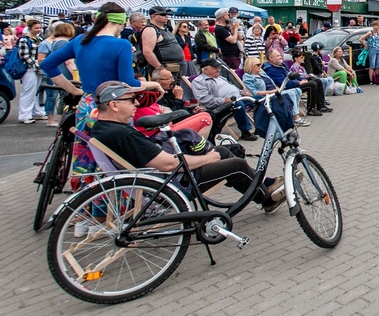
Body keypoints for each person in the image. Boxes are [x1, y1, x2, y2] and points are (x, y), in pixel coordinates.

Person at [90, 81, 285, 215]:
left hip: (159, 179)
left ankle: (265, 185)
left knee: (224, 152)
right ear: (114, 105)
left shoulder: (104, 128)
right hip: (172, 184)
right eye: (132, 100)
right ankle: (267, 199)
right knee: (236, 164)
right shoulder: (123, 134)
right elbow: (166, 164)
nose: (137, 103)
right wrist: (207, 159)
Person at [41, 2, 164, 186]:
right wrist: (154, 84)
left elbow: (47, 64)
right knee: (115, 159)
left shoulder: (80, 41)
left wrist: (74, 90)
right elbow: (127, 83)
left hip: (87, 104)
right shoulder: (120, 44)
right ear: (120, 23)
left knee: (85, 155)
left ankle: (81, 202)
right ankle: (111, 205)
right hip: (113, 106)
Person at [192, 58, 257, 141]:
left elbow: (231, 87)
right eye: (215, 68)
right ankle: (245, 131)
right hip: (222, 105)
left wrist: (241, 92)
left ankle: (260, 127)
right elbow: (205, 100)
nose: (218, 69)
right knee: (238, 105)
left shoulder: (220, 78)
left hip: (238, 97)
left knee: (260, 100)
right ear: (205, 69)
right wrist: (223, 100)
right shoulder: (199, 81)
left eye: (218, 68)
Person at [243, 56, 308, 127]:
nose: (260, 66)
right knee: (291, 93)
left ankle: (292, 113)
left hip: (275, 91)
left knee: (297, 90)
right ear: (252, 66)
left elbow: (272, 83)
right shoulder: (248, 77)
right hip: (266, 96)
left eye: (260, 64)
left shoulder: (262, 73)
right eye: (258, 65)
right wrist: (273, 91)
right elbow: (255, 92)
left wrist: (277, 88)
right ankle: (295, 118)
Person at [37, 22, 77, 127]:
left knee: (59, 98)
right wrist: (75, 73)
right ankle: (62, 122)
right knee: (65, 99)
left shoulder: (54, 42)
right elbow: (68, 61)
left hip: (57, 72)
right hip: (66, 74)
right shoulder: (64, 43)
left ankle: (57, 120)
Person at [140, 6, 185, 82]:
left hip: (175, 68)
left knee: (175, 92)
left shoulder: (165, 29)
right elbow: (147, 52)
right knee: (165, 92)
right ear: (153, 16)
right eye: (163, 14)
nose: (166, 16)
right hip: (163, 70)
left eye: (166, 14)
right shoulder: (150, 30)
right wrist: (160, 69)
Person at [17, 19, 47, 124]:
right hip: (28, 68)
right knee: (28, 91)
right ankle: (24, 115)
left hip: (38, 67)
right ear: (30, 28)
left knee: (38, 91)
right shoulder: (24, 40)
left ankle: (38, 112)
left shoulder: (39, 38)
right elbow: (24, 56)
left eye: (39, 27)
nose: (38, 30)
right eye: (36, 28)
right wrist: (36, 67)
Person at [360, 19, 379, 85]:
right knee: (372, 66)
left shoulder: (378, 33)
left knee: (378, 65)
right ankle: (371, 80)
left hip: (378, 49)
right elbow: (361, 39)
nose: (378, 27)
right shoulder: (370, 33)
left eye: (378, 25)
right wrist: (366, 46)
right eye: (376, 25)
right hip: (372, 49)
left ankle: (376, 78)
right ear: (373, 26)